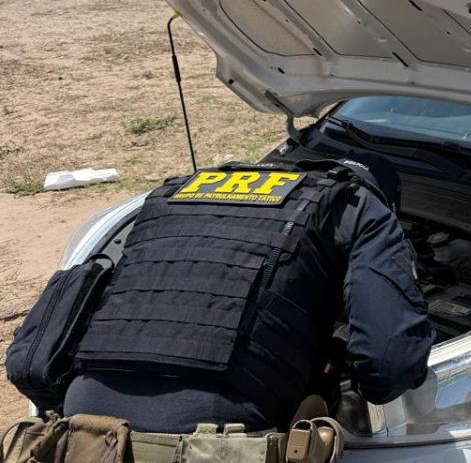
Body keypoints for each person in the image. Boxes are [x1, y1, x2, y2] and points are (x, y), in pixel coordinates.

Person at [59, 155, 434, 435]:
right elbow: (389, 365)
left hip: (82, 418)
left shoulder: (174, 190)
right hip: (213, 432)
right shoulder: (359, 203)